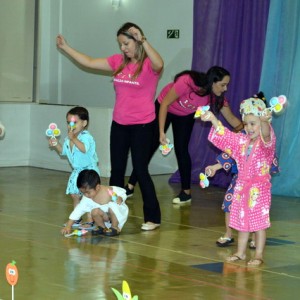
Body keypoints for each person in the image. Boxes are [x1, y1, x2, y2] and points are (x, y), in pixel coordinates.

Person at [56, 22, 163, 231]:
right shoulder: (118, 62)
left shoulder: (149, 65)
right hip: (120, 124)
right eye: (120, 44)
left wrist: (144, 40)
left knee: (140, 169)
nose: (123, 48)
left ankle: (153, 217)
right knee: (117, 171)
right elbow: (88, 61)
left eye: (126, 43)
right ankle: (107, 216)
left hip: (143, 125)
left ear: (136, 41)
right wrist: (66, 47)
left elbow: (160, 63)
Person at [125, 67, 243, 204]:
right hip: (165, 107)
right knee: (151, 145)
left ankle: (186, 193)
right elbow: (165, 104)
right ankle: (130, 185)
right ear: (212, 82)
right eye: (223, 85)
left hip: (184, 115)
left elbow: (233, 120)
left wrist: (250, 130)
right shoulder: (187, 82)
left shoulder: (216, 97)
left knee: (182, 149)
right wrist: (161, 132)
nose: (225, 89)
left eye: (227, 85)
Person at [200, 97, 276, 266]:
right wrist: (213, 119)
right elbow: (225, 135)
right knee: (242, 222)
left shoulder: (266, 145)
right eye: (246, 124)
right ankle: (240, 253)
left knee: (259, 224)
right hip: (242, 186)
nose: (249, 128)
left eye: (253, 123)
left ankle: (258, 255)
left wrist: (263, 121)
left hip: (259, 188)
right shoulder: (241, 142)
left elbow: (266, 133)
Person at [48, 106, 100, 228]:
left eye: (74, 122)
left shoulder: (86, 137)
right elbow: (63, 152)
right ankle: (76, 218)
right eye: (68, 122)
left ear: (84, 123)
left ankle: (90, 219)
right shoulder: (68, 139)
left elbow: (84, 149)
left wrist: (74, 139)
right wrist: (56, 144)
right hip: (77, 172)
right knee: (75, 195)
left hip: (88, 171)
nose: (70, 125)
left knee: (88, 196)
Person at [61, 169, 128, 237]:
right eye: (83, 193)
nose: (86, 195)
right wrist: (69, 225)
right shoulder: (87, 198)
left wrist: (121, 198)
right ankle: (102, 227)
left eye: (88, 192)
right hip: (106, 217)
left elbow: (122, 193)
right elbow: (78, 210)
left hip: (118, 214)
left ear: (97, 187)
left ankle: (115, 227)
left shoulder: (109, 191)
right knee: (94, 211)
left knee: (112, 206)